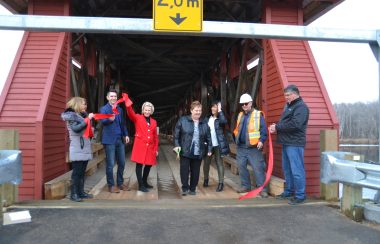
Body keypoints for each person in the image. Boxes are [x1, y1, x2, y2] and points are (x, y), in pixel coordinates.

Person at [270, 84, 309, 205]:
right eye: (285, 95)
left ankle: (300, 195)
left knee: (297, 170)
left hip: (295, 143)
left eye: (288, 95)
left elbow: (295, 124)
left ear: (295, 94)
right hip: (286, 142)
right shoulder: (288, 106)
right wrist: (276, 127)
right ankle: (289, 191)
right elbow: (286, 122)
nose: (286, 97)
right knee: (287, 169)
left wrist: (277, 127)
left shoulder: (301, 107)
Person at [233, 93, 268, 198]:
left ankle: (262, 189)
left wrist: (261, 141)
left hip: (254, 148)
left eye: (246, 103)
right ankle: (245, 186)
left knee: (258, 168)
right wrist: (236, 139)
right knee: (241, 167)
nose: (244, 105)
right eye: (242, 104)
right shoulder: (240, 115)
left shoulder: (258, 115)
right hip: (241, 147)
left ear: (251, 103)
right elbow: (237, 130)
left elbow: (264, 130)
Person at [174, 101, 212, 196]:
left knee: (195, 171)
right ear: (191, 110)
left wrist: (210, 149)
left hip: (198, 151)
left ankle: (193, 188)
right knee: (184, 170)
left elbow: (209, 137)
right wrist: (177, 145)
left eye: (200, 110)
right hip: (185, 150)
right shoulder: (183, 120)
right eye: (196, 110)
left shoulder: (204, 122)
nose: (198, 112)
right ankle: (185, 188)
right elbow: (176, 135)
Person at [61, 97, 94, 202]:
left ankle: (81, 192)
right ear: (78, 104)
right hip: (77, 147)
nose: (85, 106)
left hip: (84, 147)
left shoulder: (82, 116)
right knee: (77, 173)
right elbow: (76, 129)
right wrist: (87, 119)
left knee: (82, 172)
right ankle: (74, 194)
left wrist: (87, 119)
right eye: (83, 104)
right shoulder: (72, 116)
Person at [125, 95, 159, 193]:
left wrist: (156, 149)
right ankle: (140, 185)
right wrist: (128, 105)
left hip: (151, 147)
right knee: (139, 165)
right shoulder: (138, 118)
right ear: (143, 110)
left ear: (151, 111)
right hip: (140, 146)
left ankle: (144, 181)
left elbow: (155, 137)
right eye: (146, 109)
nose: (147, 111)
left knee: (149, 165)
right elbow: (130, 113)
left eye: (149, 110)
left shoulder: (154, 122)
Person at [100, 90, 130, 193]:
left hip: (119, 139)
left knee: (122, 162)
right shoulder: (104, 109)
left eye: (115, 96)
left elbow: (123, 124)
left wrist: (126, 134)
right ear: (107, 97)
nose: (113, 98)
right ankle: (111, 185)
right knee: (110, 164)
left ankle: (120, 183)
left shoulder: (120, 110)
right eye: (111, 96)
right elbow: (102, 121)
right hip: (109, 140)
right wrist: (109, 120)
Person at [203, 101, 230, 192]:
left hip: (218, 145)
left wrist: (220, 111)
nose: (213, 109)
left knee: (219, 163)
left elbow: (224, 121)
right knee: (206, 163)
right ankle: (206, 179)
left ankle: (221, 183)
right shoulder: (207, 119)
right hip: (209, 145)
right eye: (212, 107)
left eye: (215, 107)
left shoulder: (220, 119)